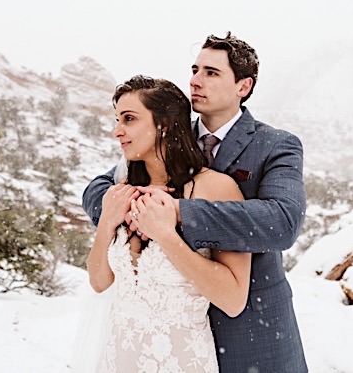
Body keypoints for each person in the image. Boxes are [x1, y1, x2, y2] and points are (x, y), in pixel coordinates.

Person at [83, 32, 308, 373]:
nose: (195, 80)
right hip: (152, 333)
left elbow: (283, 221)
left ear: (242, 87)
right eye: (194, 69)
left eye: (211, 73)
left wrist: (177, 212)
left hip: (251, 327)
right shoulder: (165, 134)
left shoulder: (275, 145)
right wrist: (129, 209)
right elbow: (100, 187)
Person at [83, 75, 250, 372]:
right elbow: (99, 282)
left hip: (181, 362)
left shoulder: (215, 189)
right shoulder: (122, 189)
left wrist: (166, 236)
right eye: (118, 119)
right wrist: (107, 222)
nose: (117, 131)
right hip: (116, 358)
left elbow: (233, 299)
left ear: (165, 125)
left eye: (129, 119)